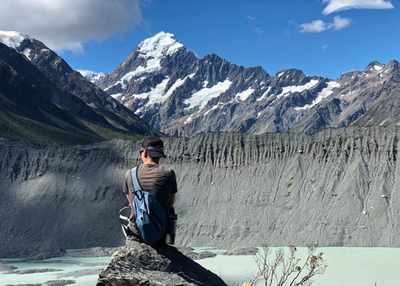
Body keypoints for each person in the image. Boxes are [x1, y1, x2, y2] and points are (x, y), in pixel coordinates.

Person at [121, 136, 177, 245]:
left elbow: (129, 200)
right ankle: (170, 240)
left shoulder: (129, 174)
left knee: (125, 212)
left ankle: (132, 240)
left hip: (137, 231)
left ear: (145, 153)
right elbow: (171, 201)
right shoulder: (168, 173)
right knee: (170, 210)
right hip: (160, 231)